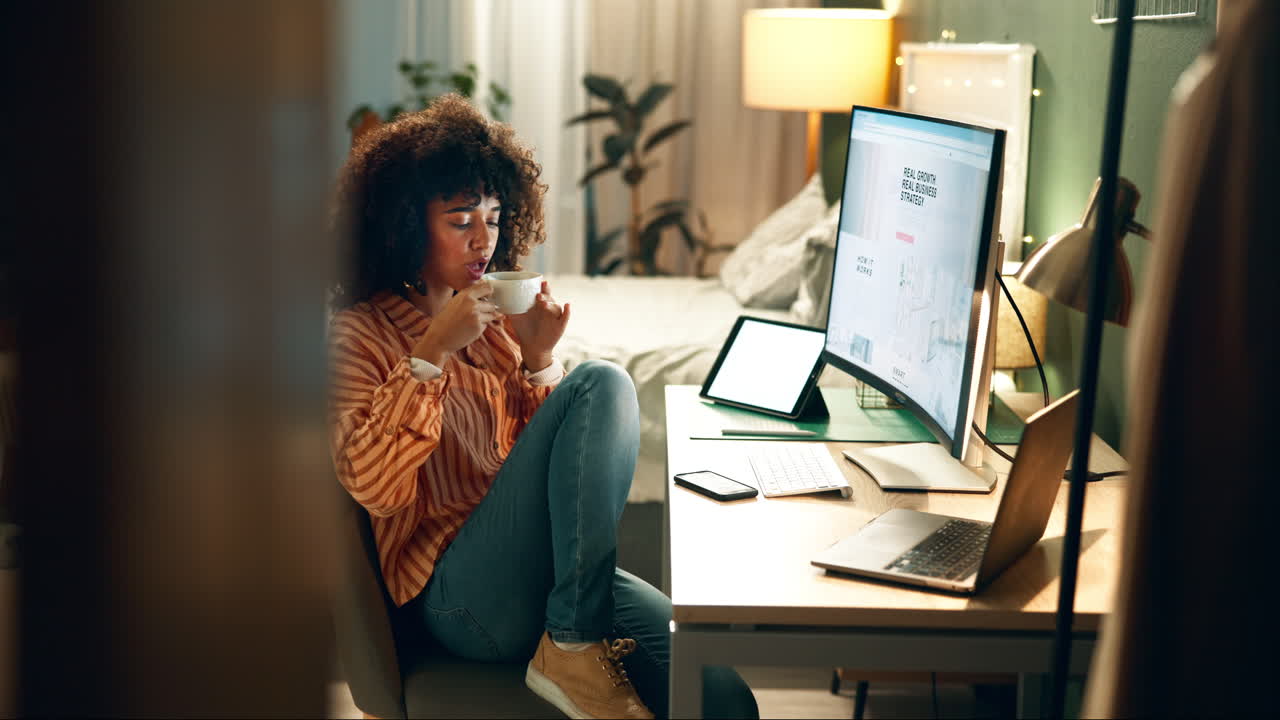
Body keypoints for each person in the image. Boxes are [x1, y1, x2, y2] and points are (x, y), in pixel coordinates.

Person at [328, 94, 757, 720]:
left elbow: (564, 477)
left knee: (723, 699)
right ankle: (576, 647)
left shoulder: (496, 322)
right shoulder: (358, 335)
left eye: (496, 218)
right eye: (461, 219)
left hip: (545, 582)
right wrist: (431, 354)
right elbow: (374, 488)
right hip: (459, 601)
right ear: (402, 224)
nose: (485, 238)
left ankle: (570, 640)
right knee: (603, 381)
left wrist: (537, 359)